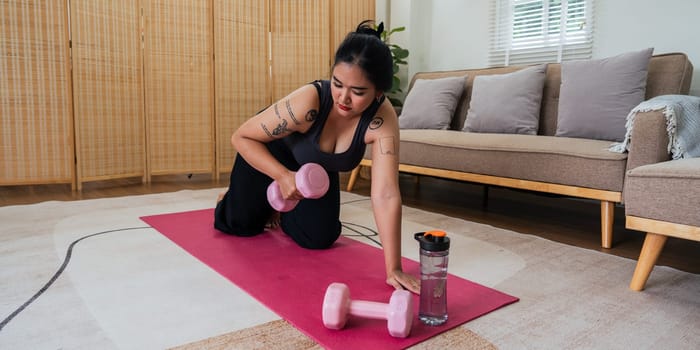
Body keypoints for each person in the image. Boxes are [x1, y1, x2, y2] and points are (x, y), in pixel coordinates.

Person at [214, 21, 419, 294]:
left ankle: (280, 207)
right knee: (240, 226)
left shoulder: (382, 120)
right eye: (337, 84)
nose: (343, 98)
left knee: (320, 238)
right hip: (269, 153)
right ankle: (231, 198)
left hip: (313, 173)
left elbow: (386, 194)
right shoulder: (308, 102)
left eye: (358, 92)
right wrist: (282, 176)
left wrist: (393, 268)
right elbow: (241, 137)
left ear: (379, 93)